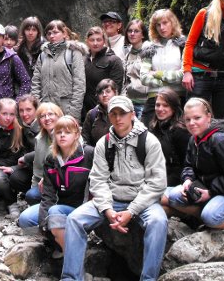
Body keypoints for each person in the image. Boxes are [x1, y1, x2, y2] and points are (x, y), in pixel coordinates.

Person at [61, 96, 167, 281]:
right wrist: (107, 209)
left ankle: (149, 279)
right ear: (109, 116)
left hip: (142, 202)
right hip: (112, 200)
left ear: (132, 115)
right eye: (114, 114)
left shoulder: (149, 141)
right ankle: (70, 278)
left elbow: (157, 183)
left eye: (123, 113)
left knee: (158, 222)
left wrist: (131, 211)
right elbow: (98, 180)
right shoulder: (104, 143)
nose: (118, 118)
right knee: (74, 219)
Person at [162, 98, 224, 239]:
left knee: (210, 215)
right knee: (172, 196)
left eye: (197, 118)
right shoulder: (194, 139)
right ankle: (202, 219)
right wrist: (187, 179)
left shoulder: (222, 140)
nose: (192, 123)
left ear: (208, 116)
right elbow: (188, 165)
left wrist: (211, 192)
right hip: (208, 187)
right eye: (188, 119)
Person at [18, 116, 95, 258]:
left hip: (83, 208)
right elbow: (48, 195)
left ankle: (70, 251)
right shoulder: (51, 159)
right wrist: (43, 225)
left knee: (54, 212)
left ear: (76, 135)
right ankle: (57, 241)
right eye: (59, 132)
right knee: (25, 219)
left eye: (67, 132)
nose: (62, 135)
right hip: (59, 206)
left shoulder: (89, 154)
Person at [30, 20, 86, 121]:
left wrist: (73, 114)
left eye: (55, 32)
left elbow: (79, 85)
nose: (52, 36)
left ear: (64, 34)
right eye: (49, 33)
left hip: (66, 110)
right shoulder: (43, 55)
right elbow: (35, 83)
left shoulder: (73, 53)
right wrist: (39, 107)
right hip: (46, 111)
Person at [139, 9, 186, 125]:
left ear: (172, 23)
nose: (162, 27)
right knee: (145, 130)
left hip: (177, 97)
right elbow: (144, 77)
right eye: (158, 25)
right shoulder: (149, 47)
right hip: (154, 98)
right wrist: (167, 81)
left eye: (165, 23)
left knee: (178, 131)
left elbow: (183, 74)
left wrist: (157, 74)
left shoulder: (183, 45)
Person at [11, 102, 63, 205]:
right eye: (42, 116)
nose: (47, 118)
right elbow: (37, 169)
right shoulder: (40, 139)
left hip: (64, 181)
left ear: (58, 116)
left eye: (50, 114)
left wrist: (49, 178)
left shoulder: (65, 134)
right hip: (45, 182)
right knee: (30, 195)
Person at [147, 87, 190, 187]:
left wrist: (160, 184)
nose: (160, 109)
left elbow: (185, 166)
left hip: (173, 182)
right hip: (154, 177)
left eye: (165, 105)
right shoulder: (153, 127)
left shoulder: (180, 131)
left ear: (173, 108)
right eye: (158, 105)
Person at [83, 26, 124, 117]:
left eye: (98, 40)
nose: (95, 43)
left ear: (104, 41)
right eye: (92, 40)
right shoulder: (83, 60)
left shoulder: (114, 60)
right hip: (84, 109)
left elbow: (116, 88)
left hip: (105, 110)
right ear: (87, 41)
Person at [123, 19, 151, 118]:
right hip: (130, 103)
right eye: (130, 31)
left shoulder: (149, 51)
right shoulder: (128, 54)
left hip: (146, 103)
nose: (132, 34)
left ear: (143, 34)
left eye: (136, 31)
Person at [82, 78, 118, 146]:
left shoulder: (123, 113)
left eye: (108, 91)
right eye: (101, 92)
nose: (104, 95)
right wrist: (91, 150)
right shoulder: (92, 114)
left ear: (115, 93)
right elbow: (84, 139)